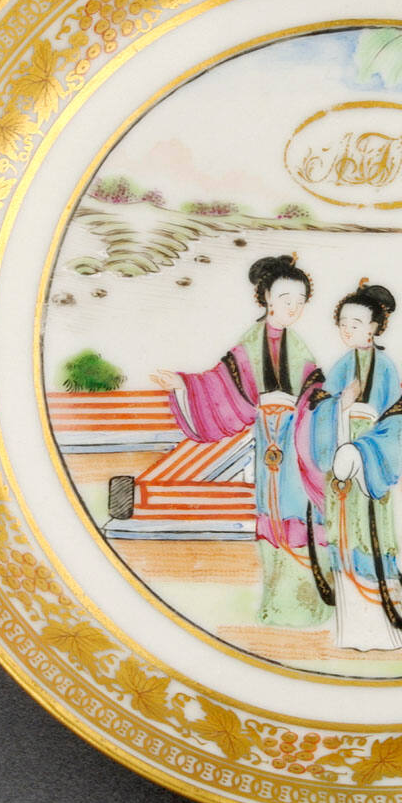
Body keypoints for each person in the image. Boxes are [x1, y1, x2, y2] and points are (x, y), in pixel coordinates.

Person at [152, 254, 331, 627]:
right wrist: (183, 384)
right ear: (266, 297)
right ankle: (277, 605)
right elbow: (220, 385)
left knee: (300, 511)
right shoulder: (249, 344)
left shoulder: (299, 345)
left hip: (297, 443)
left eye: (299, 301)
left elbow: (315, 391)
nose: (293, 308)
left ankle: (310, 604)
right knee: (272, 513)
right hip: (269, 440)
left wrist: (311, 407)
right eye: (285, 299)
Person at [309, 282, 402, 651]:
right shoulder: (340, 367)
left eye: (356, 323)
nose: (347, 329)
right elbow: (319, 414)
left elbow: (393, 426)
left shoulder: (385, 367)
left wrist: (362, 453)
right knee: (343, 540)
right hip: (339, 466)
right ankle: (353, 631)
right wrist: (340, 405)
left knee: (370, 540)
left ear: (373, 327)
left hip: (368, 464)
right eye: (343, 323)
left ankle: (384, 631)